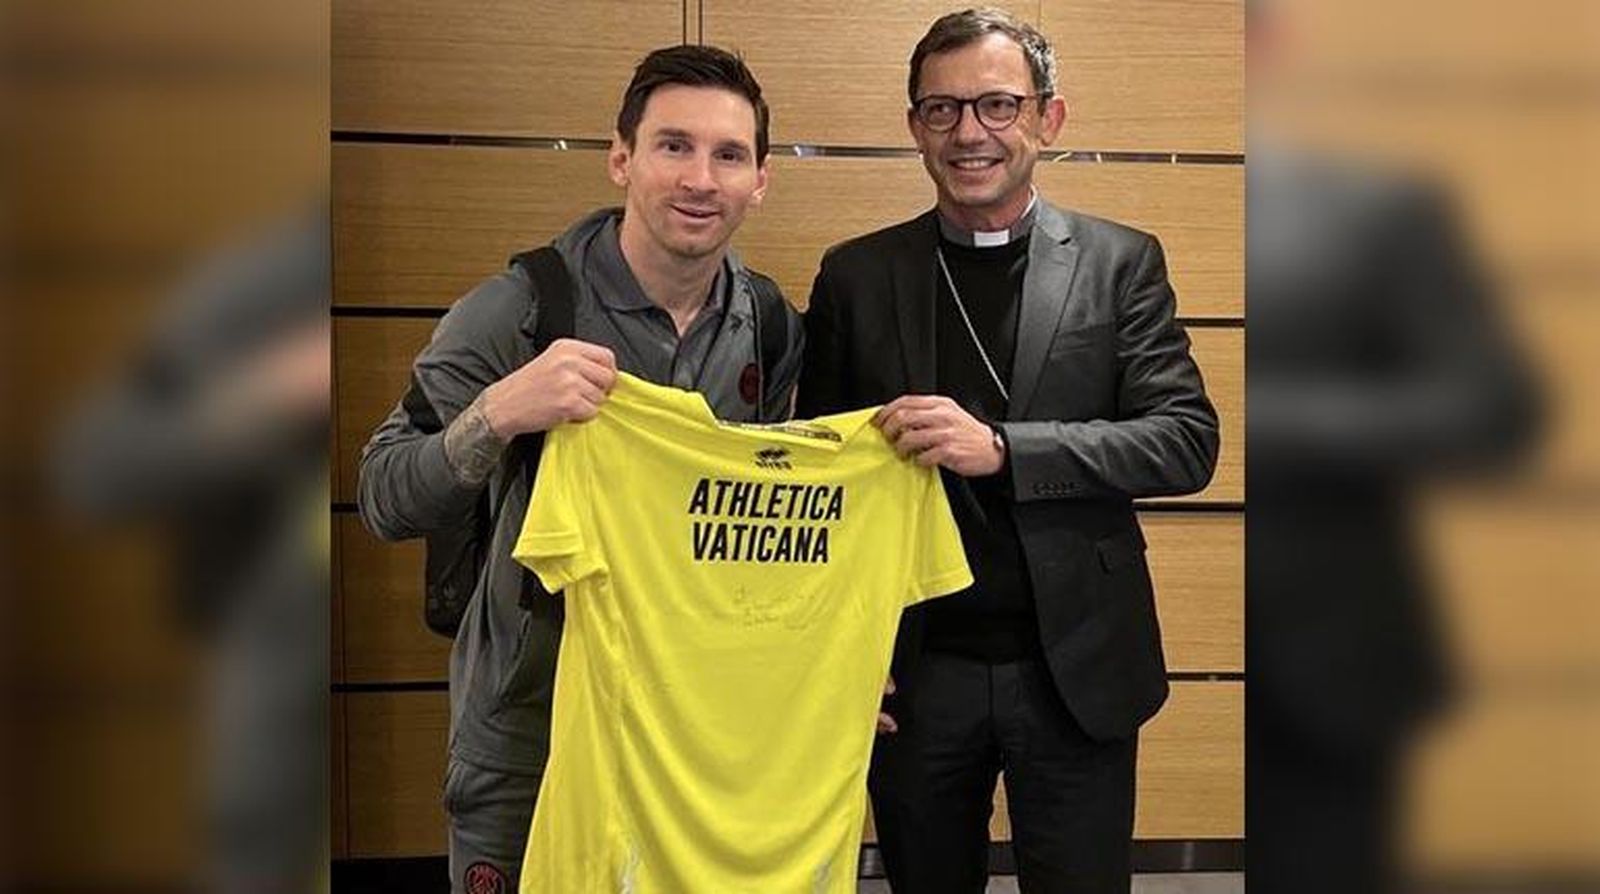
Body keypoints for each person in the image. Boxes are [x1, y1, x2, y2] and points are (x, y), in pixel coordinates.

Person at [357, 45, 802, 894]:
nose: (700, 178)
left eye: (728, 154)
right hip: (531, 732)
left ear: (760, 179)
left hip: (690, 735)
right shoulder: (516, 312)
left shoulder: (770, 327)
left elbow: (766, 531)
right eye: (674, 145)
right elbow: (382, 495)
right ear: (621, 157)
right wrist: (498, 415)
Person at [797, 9, 1219, 892]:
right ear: (915, 126)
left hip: (1074, 667)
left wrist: (1005, 448)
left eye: (997, 105)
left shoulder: (1120, 262)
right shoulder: (856, 276)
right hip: (914, 673)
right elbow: (817, 491)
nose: (970, 133)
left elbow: (1185, 443)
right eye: (942, 110)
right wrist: (832, 656)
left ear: (1046, 119)